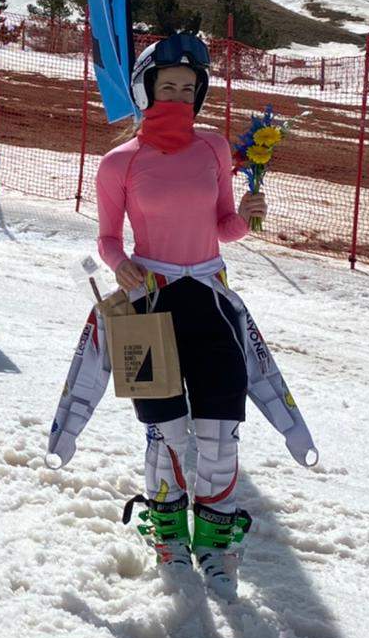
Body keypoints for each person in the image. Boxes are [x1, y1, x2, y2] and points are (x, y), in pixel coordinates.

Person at [96, 33, 269, 597]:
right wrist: (121, 264)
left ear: (199, 96)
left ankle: (217, 548)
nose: (177, 95)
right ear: (146, 90)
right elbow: (107, 239)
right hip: (149, 303)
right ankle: (169, 536)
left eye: (188, 88)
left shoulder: (215, 148)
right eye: (166, 85)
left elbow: (223, 227)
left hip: (211, 301)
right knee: (164, 431)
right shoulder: (118, 161)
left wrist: (246, 216)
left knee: (220, 431)